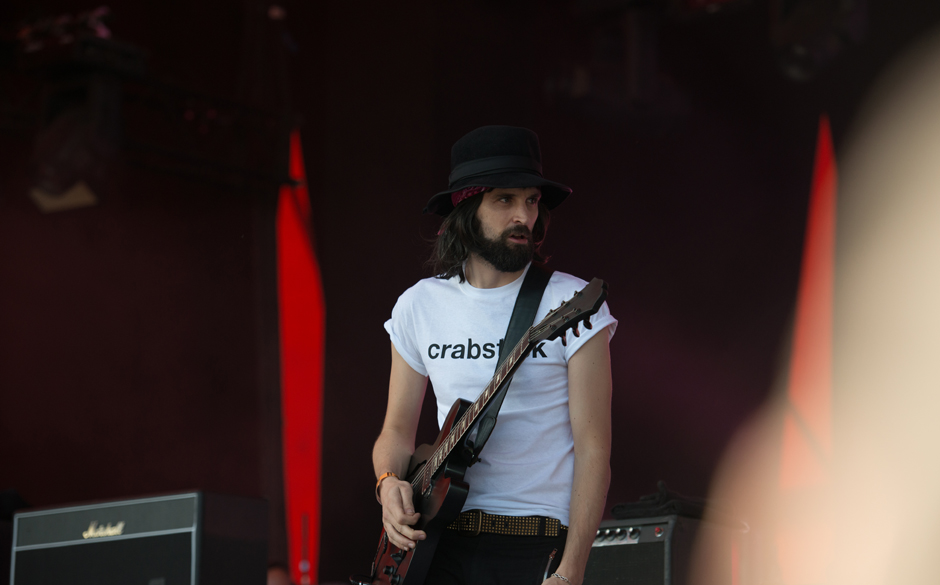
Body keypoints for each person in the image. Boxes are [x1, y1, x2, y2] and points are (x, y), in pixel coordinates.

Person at [373, 125, 617, 585]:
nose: (523, 214)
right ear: (467, 208)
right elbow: (396, 432)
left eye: (531, 200)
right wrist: (388, 485)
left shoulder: (572, 302)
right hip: (438, 540)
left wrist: (571, 570)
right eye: (505, 200)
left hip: (534, 539)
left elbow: (594, 449)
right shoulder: (419, 305)